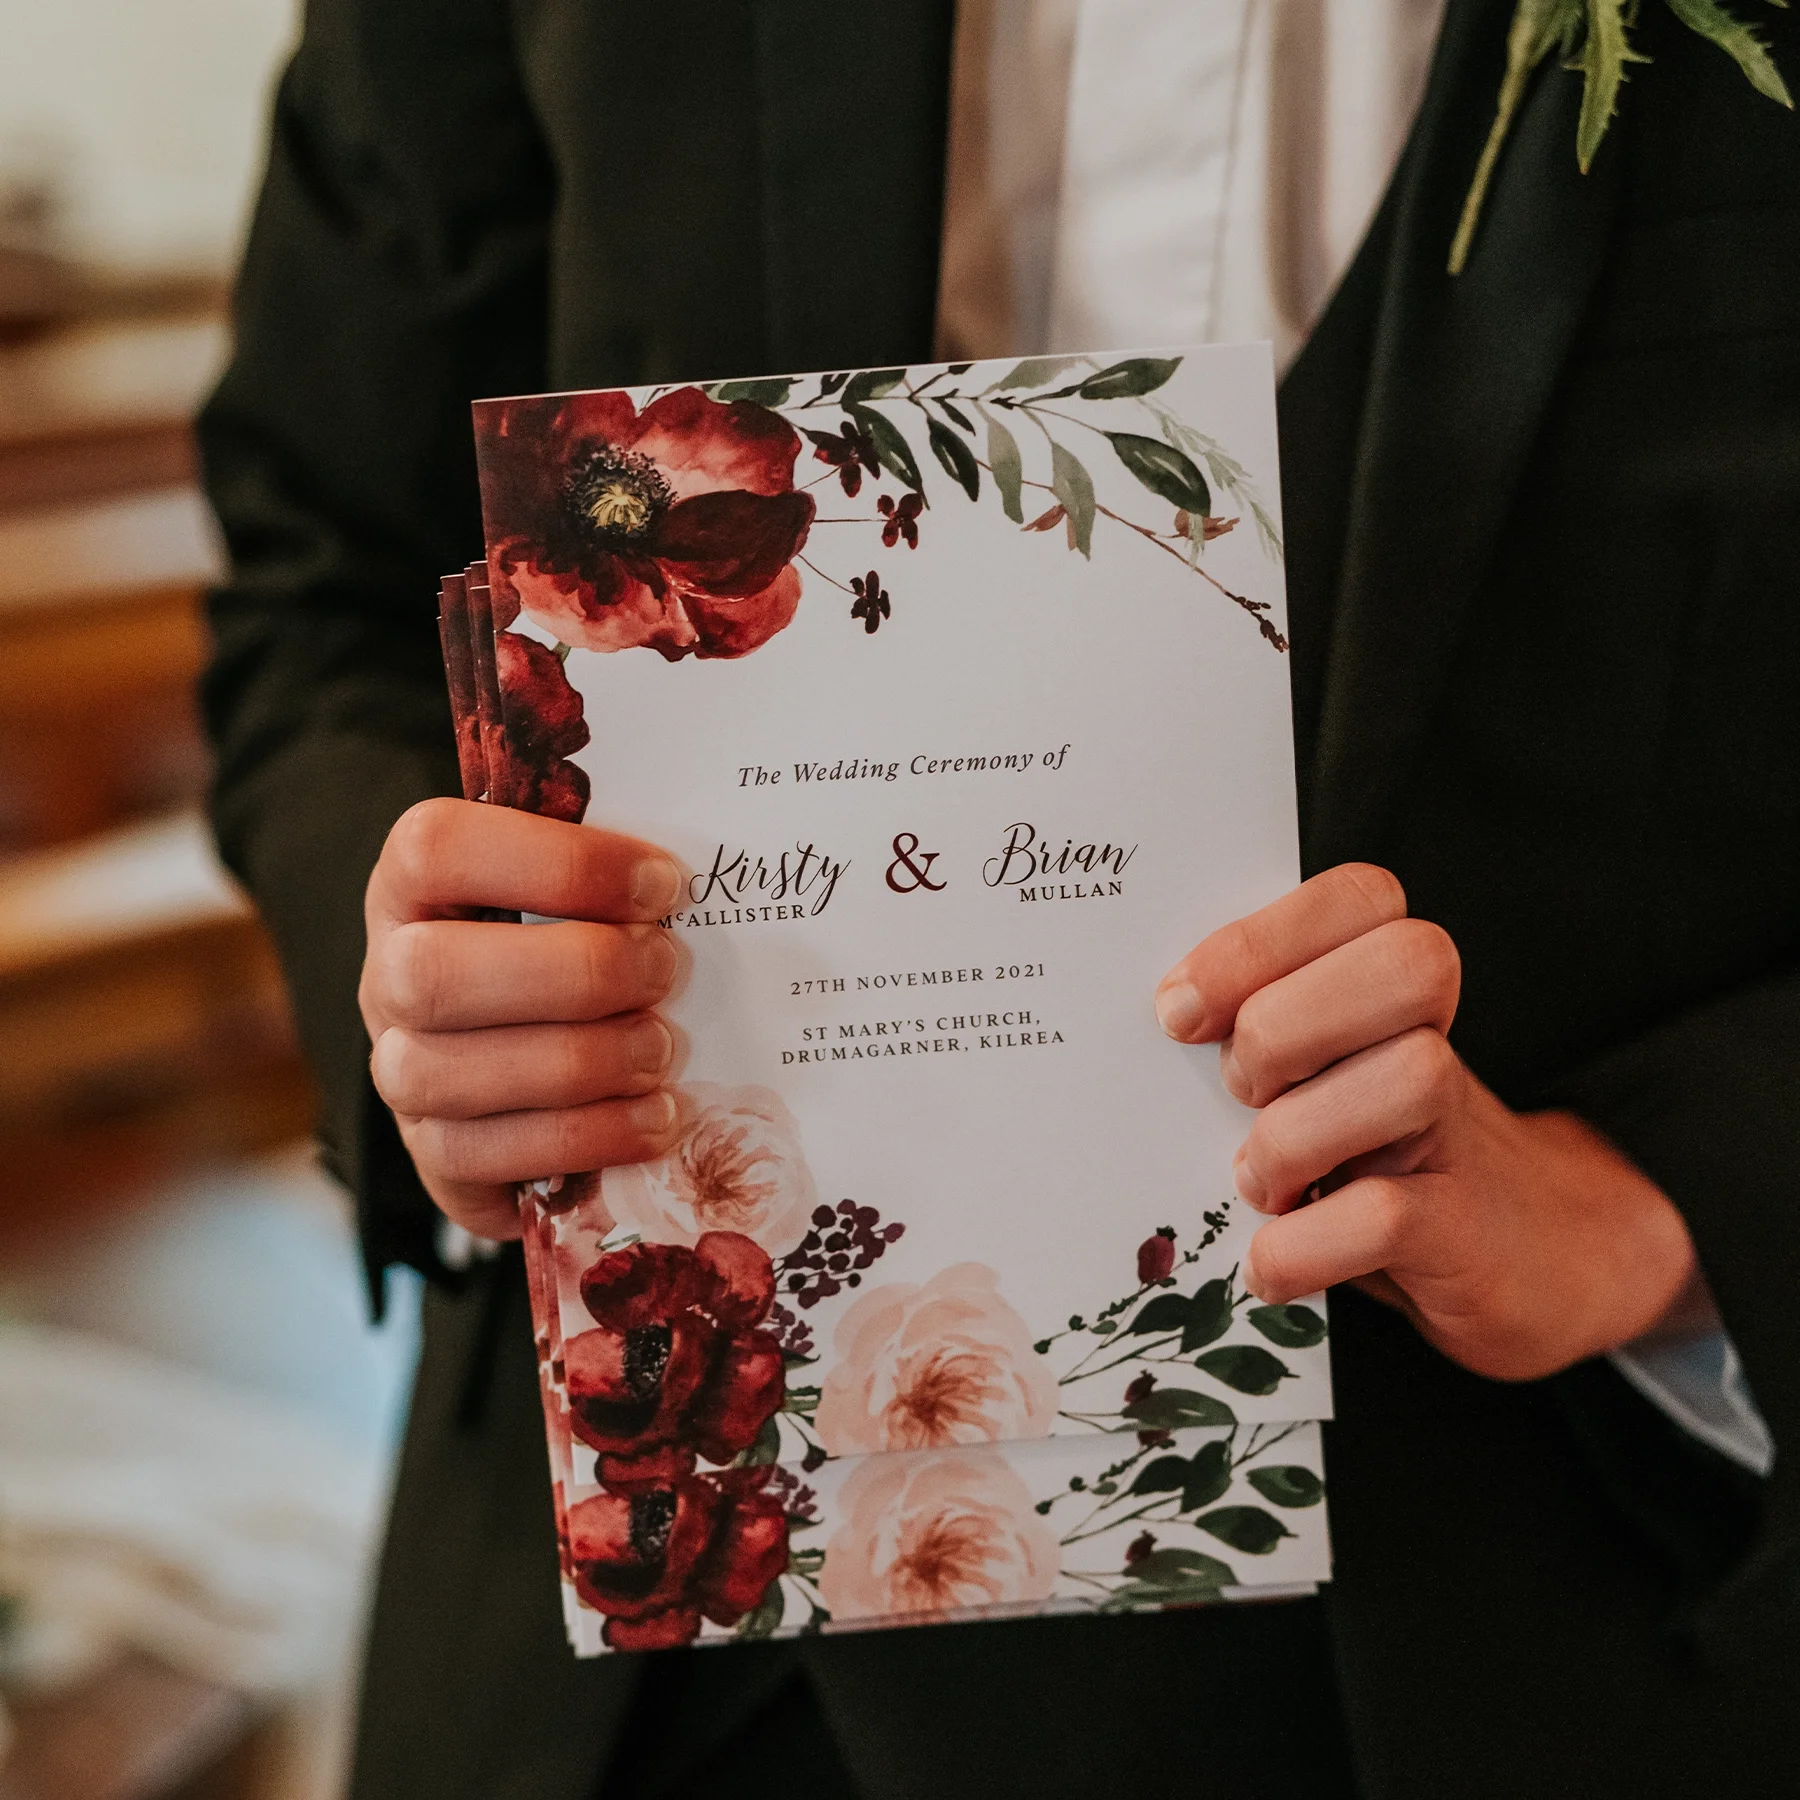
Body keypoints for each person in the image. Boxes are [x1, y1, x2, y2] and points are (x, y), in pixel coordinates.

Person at [197, 1, 1800, 1795]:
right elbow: (324, 569)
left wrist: (1662, 1207)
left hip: (1509, 1607)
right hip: (652, 1635)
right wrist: (439, 959)